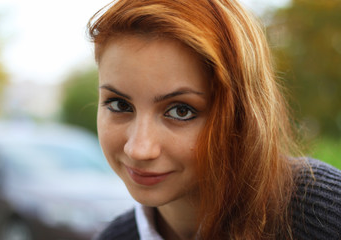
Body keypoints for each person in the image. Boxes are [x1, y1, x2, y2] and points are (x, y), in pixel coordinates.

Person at [87, 0, 341, 239]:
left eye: (180, 111)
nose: (139, 149)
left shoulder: (328, 217)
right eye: (120, 105)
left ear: (244, 114)